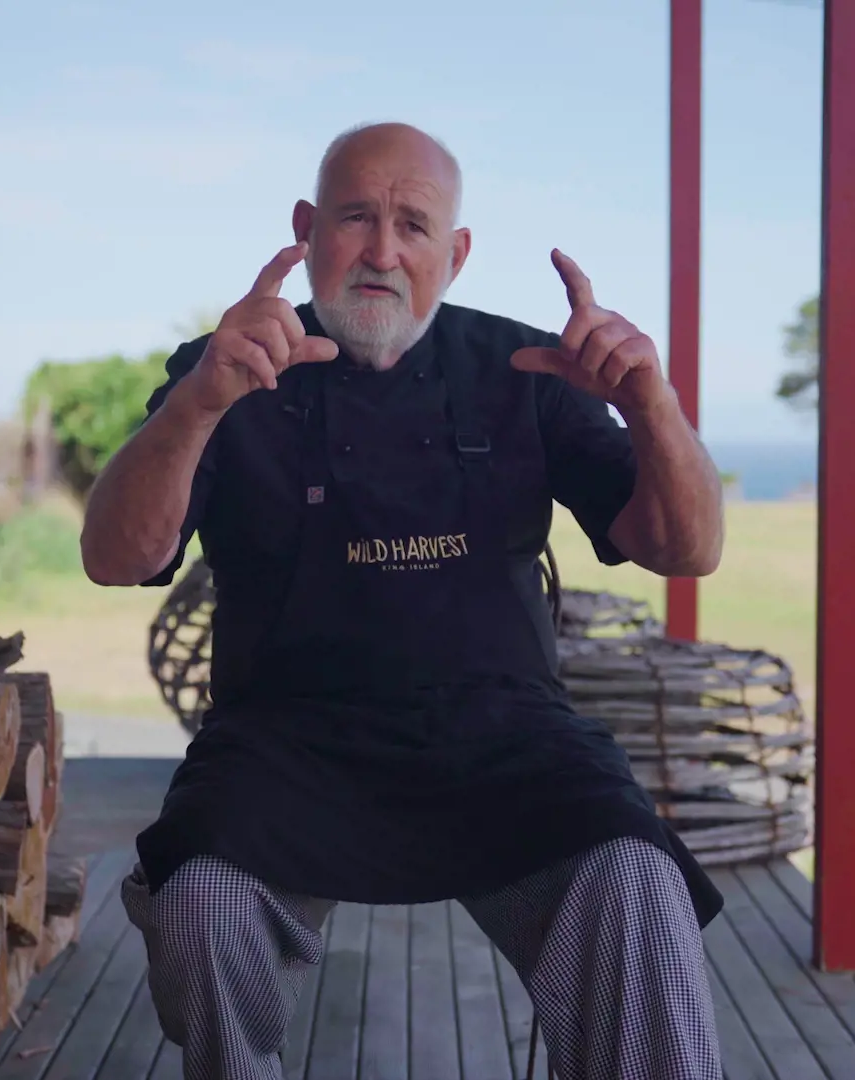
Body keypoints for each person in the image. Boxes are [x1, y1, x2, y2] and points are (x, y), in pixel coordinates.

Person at [80, 121, 727, 1080]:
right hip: (283, 744)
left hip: (508, 737)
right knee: (201, 903)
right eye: (356, 218)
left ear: (454, 255)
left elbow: (687, 549)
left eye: (414, 226)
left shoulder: (526, 368)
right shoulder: (224, 367)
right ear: (306, 231)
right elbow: (114, 558)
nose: (383, 251)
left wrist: (650, 405)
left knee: (637, 880)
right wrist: (198, 406)